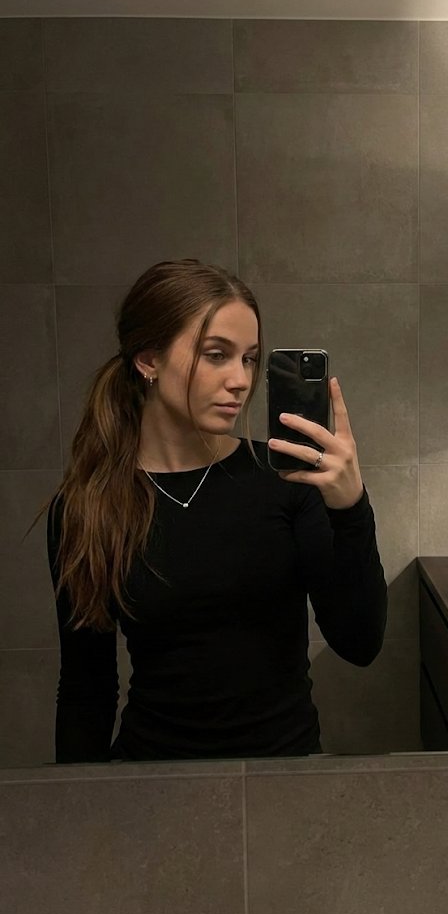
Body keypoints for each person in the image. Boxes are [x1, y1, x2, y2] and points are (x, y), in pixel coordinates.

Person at [38, 259, 387, 763]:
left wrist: (351, 508)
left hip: (283, 774)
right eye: (216, 355)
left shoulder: (286, 483)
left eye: (249, 359)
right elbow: (85, 686)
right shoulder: (89, 506)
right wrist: (78, 799)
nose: (241, 380)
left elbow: (360, 643)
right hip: (150, 777)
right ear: (149, 359)